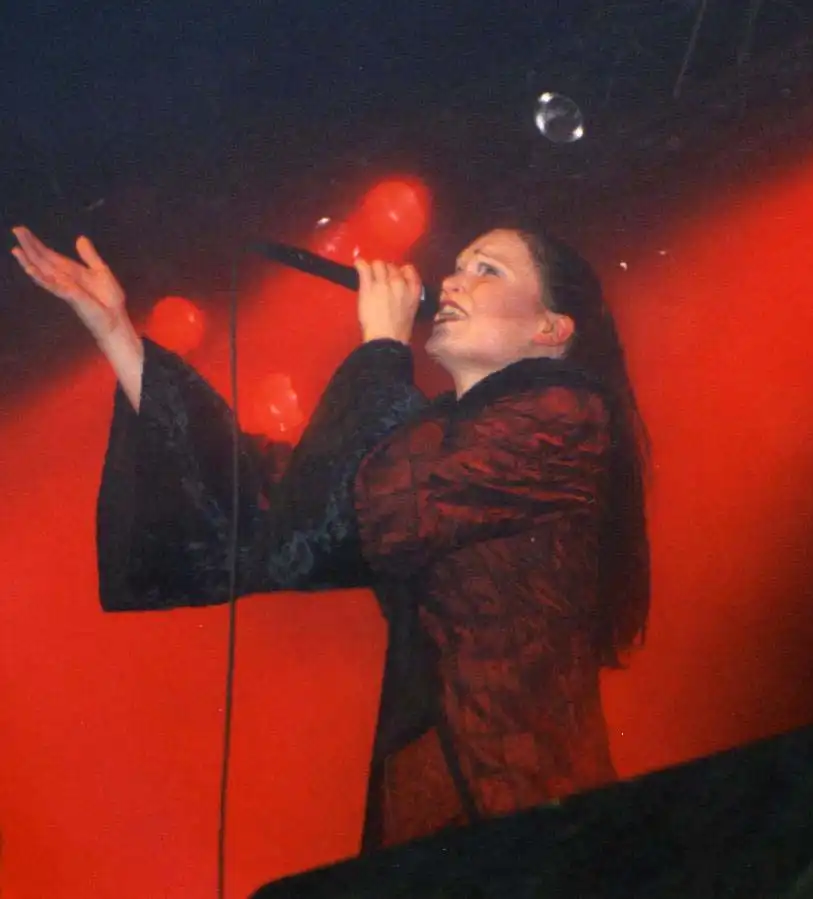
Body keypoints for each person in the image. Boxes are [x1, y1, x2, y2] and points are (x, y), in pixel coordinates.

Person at [10, 224, 651, 852]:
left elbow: (372, 501)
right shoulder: (437, 436)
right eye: (459, 264)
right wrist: (117, 333)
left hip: (527, 802)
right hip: (439, 791)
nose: (454, 280)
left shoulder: (566, 416)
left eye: (488, 269)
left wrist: (382, 344)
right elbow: (276, 494)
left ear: (550, 328)